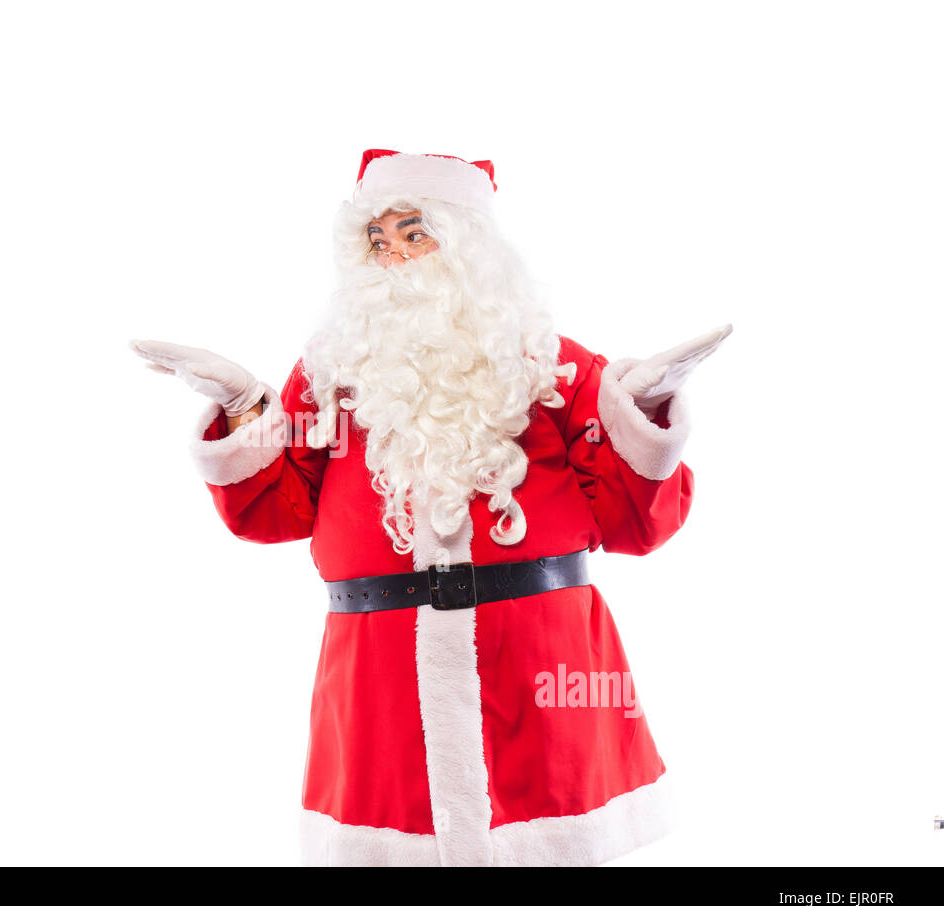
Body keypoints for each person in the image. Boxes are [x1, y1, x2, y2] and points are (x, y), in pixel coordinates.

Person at [129, 148, 730, 866]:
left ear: (468, 247)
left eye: (414, 234)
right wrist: (241, 411)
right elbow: (276, 512)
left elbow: (636, 523)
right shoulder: (330, 373)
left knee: (547, 842)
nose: (396, 258)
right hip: (377, 669)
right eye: (377, 242)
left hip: (541, 655)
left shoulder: (554, 365)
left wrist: (646, 413)